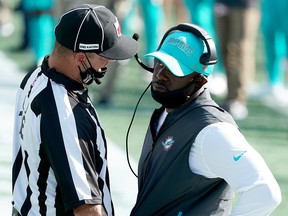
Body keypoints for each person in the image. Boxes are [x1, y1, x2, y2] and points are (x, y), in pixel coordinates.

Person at [130, 23, 281, 215]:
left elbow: (265, 192)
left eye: (172, 69)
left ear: (200, 80)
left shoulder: (213, 130)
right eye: (159, 63)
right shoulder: (166, 114)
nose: (159, 75)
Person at [11, 4, 138, 216]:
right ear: (80, 58)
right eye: (104, 55)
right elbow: (87, 209)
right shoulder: (67, 115)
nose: (108, 62)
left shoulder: (35, 77)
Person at [214, 0, 261, 120]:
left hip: (244, 4)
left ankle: (239, 99)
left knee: (240, 50)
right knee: (225, 49)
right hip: (223, 3)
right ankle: (230, 97)